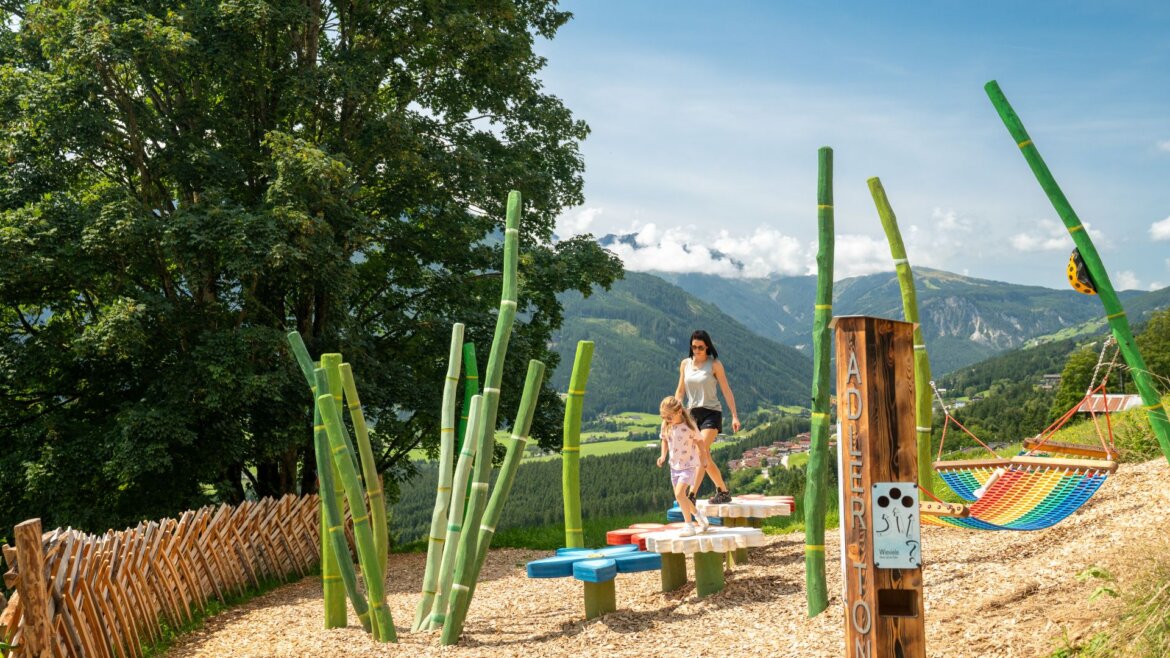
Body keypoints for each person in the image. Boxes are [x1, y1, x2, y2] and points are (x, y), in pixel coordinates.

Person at [675, 329, 741, 505]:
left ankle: (691, 495)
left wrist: (734, 416)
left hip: (711, 413)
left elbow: (726, 390)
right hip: (692, 415)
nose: (697, 350)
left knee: (699, 451)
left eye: (701, 347)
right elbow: (680, 391)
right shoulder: (685, 364)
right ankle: (723, 491)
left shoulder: (714, 365)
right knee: (705, 457)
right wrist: (674, 411)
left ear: (707, 347)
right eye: (694, 347)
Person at [656, 396, 709, 536]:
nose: (666, 420)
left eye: (669, 417)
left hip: (689, 465)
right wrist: (663, 456)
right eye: (664, 417)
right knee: (681, 498)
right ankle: (699, 517)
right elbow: (664, 440)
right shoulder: (666, 424)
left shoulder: (689, 425)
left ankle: (689, 526)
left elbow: (699, 442)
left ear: (679, 411)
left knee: (679, 494)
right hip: (674, 466)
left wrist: (704, 458)